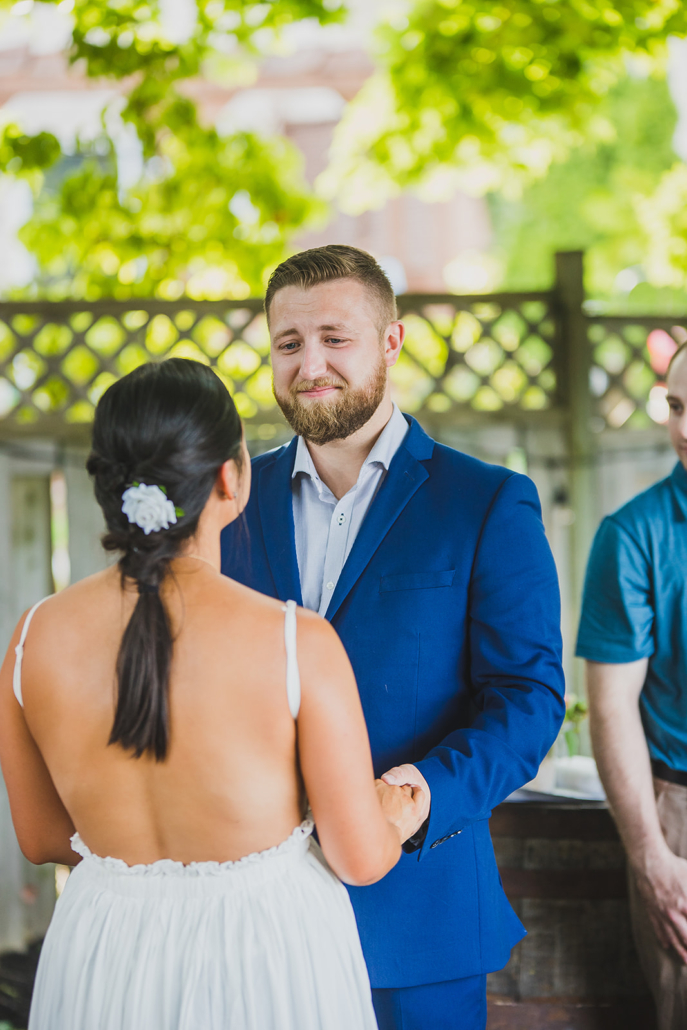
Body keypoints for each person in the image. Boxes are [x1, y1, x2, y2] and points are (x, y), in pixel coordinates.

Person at [0, 358, 424, 1030]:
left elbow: (44, 835)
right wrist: (398, 812)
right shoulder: (294, 641)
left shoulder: (32, 640)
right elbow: (359, 857)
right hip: (262, 957)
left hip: (105, 956)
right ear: (232, 476)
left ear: (107, 486)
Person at [221, 244, 566, 1030]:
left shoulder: (486, 503)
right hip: (251, 920)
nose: (310, 364)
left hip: (419, 920)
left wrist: (417, 798)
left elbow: (528, 699)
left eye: (334, 338)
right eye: (288, 343)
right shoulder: (229, 502)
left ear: (390, 342)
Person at [578, 341, 687, 1030]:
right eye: (676, 406)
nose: (683, 428)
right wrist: (653, 858)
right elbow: (610, 708)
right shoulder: (632, 536)